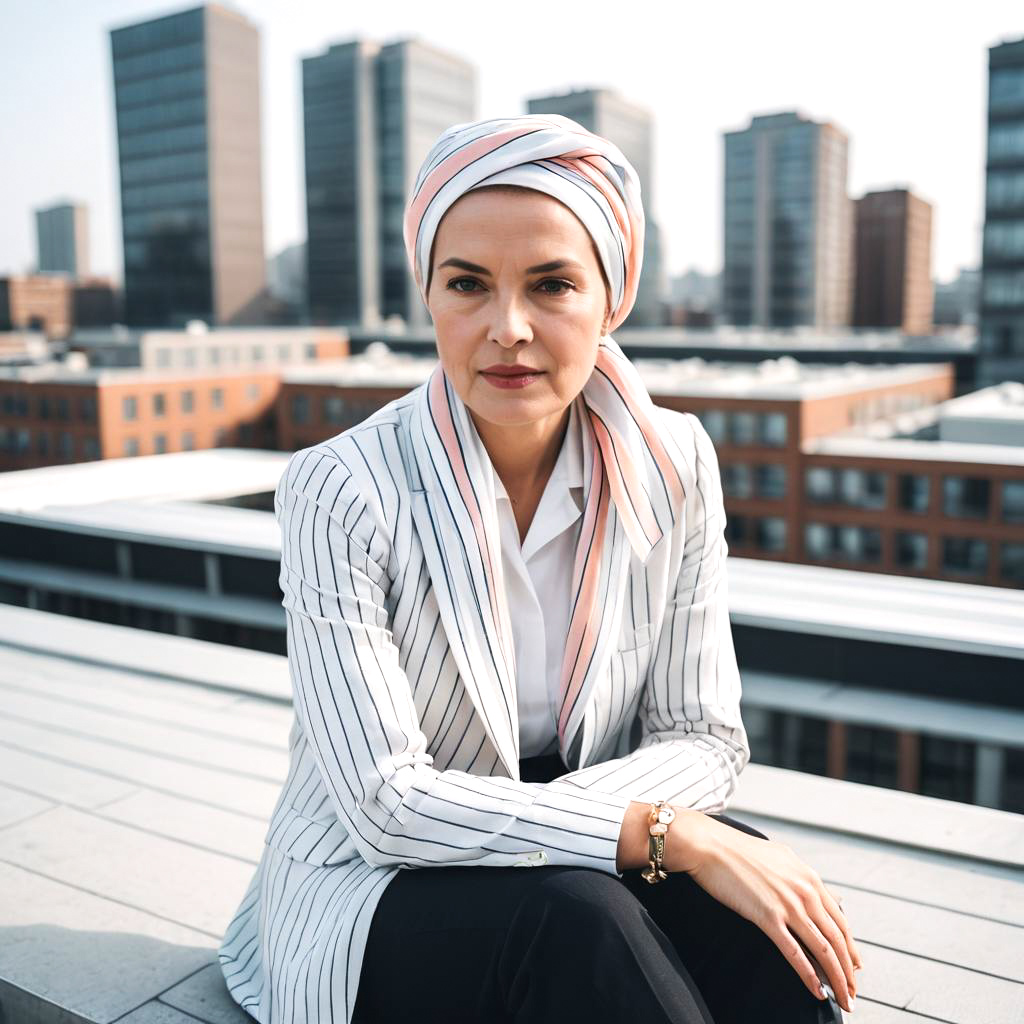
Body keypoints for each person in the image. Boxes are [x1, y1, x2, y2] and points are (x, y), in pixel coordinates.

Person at [218, 113, 862, 1024]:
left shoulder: (674, 463)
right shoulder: (341, 487)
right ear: (428, 296)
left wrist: (624, 836)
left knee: (756, 911)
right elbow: (385, 803)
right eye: (468, 285)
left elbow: (705, 737)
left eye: (552, 284)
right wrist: (649, 834)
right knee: (583, 915)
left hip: (570, 860)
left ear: (611, 299)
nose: (507, 328)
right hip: (375, 887)